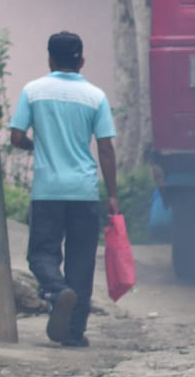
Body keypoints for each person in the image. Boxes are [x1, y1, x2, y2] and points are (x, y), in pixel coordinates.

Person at [9, 31, 118, 347]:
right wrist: (112, 195)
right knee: (81, 263)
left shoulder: (33, 91)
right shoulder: (96, 97)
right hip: (84, 192)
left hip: (48, 192)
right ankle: (73, 333)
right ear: (81, 61)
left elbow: (16, 137)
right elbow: (106, 149)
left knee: (41, 254)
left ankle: (56, 290)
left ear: (50, 60)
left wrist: (37, 146)